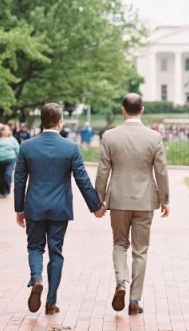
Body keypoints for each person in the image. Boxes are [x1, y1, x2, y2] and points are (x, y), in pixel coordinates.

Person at [14, 103, 106, 315]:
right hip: (59, 207)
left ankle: (36, 277)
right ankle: (50, 302)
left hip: (34, 206)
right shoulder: (70, 148)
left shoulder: (26, 146)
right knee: (56, 252)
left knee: (35, 247)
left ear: (42, 122)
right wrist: (96, 206)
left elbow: (19, 180)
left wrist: (20, 208)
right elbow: (82, 179)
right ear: (60, 122)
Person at [95, 93, 170, 316]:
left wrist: (98, 200)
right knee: (141, 251)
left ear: (123, 110)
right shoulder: (154, 137)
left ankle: (121, 281)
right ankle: (135, 300)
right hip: (145, 200)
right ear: (142, 110)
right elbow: (161, 171)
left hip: (118, 199)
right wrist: (164, 199)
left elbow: (103, 171)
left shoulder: (110, 137)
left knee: (119, 244)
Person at [0, 125, 20, 198]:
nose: (4, 131)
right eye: (3, 130)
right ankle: (1, 192)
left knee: (7, 175)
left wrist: (19, 160)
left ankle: (6, 191)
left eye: (6, 130)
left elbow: (18, 149)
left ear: (9, 131)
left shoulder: (12, 139)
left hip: (9, 160)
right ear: (1, 131)